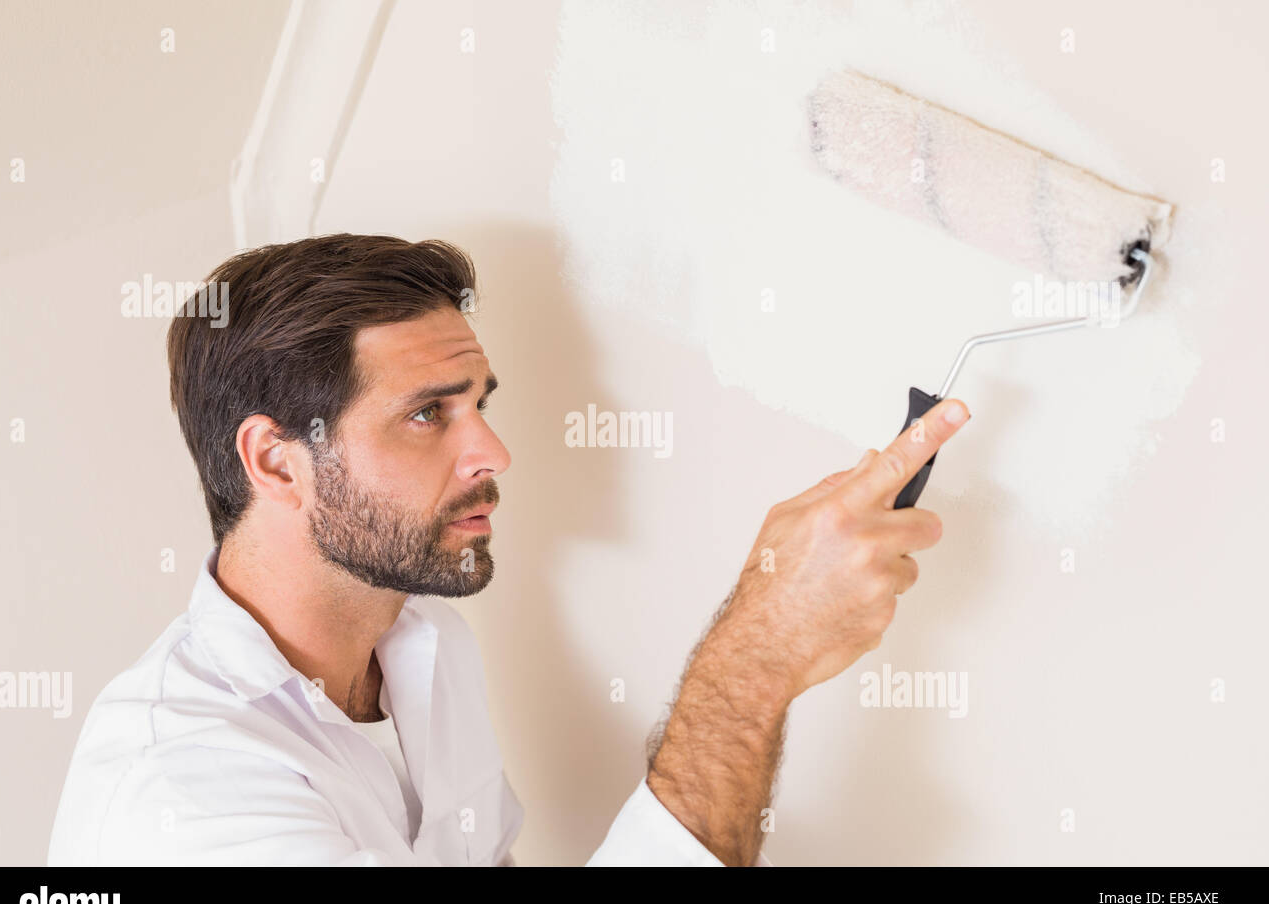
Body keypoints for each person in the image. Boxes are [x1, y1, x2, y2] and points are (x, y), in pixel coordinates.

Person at [48, 234, 969, 866]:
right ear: (276, 462)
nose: (493, 453)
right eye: (426, 414)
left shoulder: (424, 647)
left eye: (479, 403)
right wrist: (755, 661)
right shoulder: (186, 789)